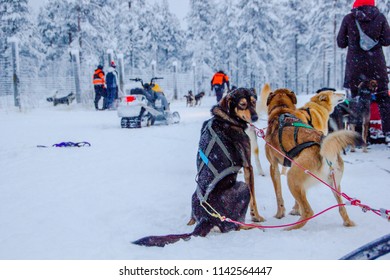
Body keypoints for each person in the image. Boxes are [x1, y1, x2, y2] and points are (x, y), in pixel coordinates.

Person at [337, 0, 390, 145]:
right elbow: (387, 40)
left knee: (356, 100)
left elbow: (340, 42)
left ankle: (358, 137)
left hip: (355, 68)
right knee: (383, 98)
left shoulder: (349, 18)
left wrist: (353, 42)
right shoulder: (380, 17)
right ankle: (388, 133)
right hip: (376, 67)